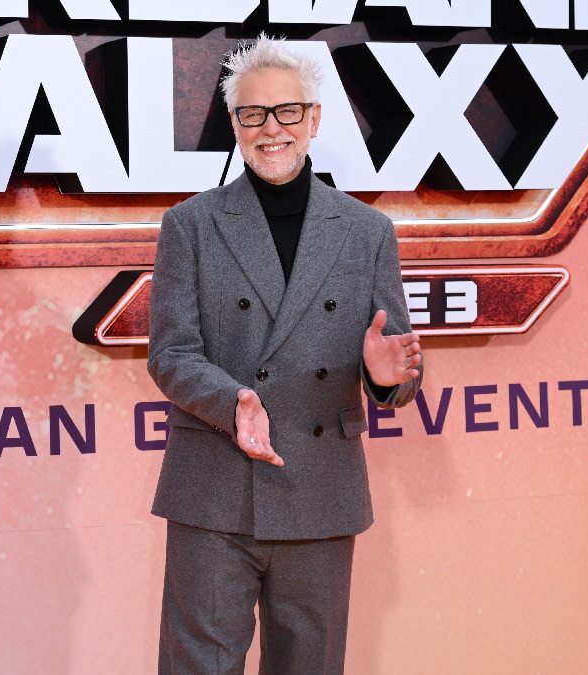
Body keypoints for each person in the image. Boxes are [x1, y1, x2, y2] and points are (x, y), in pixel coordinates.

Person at [146, 34, 425, 674]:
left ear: (314, 119)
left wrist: (387, 380)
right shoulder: (188, 225)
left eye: (287, 112)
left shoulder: (367, 233)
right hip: (212, 488)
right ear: (235, 124)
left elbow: (400, 365)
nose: (271, 130)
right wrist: (234, 399)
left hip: (321, 488)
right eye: (252, 115)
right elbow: (171, 353)